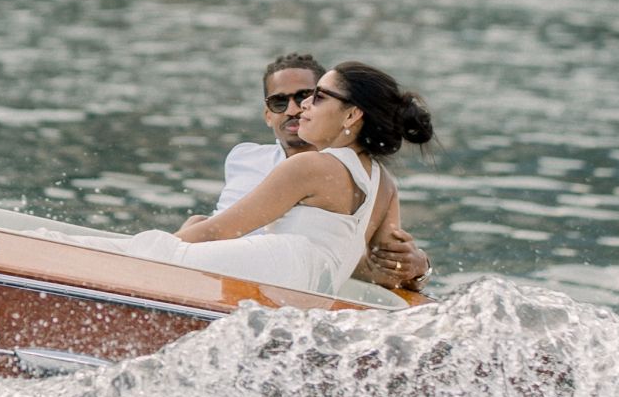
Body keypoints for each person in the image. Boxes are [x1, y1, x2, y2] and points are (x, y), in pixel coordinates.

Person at [123, 63, 436, 298]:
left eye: (318, 97)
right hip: (310, 290)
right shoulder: (384, 184)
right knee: (177, 237)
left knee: (152, 251)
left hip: (278, 269)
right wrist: (416, 269)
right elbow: (389, 272)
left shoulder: (310, 166)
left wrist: (155, 250)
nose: (303, 106)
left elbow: (219, 230)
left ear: (352, 115)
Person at [219, 53, 430, 291]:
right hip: (245, 274)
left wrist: (420, 269)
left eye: (308, 96)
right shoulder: (244, 159)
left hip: (264, 282)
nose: (295, 109)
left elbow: (382, 268)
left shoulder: (324, 170)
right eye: (279, 102)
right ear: (268, 115)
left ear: (348, 113)